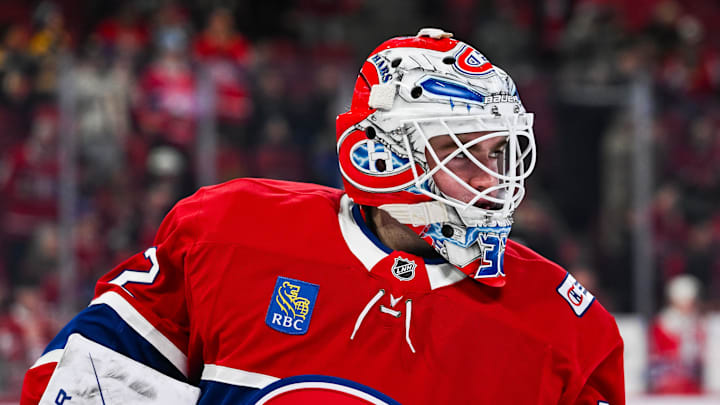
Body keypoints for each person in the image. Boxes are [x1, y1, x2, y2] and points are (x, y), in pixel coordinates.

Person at [21, 28, 624, 404]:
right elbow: (75, 382)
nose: (490, 180)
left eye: (499, 153)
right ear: (381, 156)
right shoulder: (231, 233)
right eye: (463, 152)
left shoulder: (564, 325)